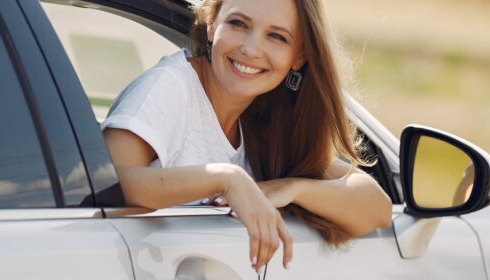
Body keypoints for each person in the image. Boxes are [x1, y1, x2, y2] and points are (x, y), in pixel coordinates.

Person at [101, 0, 391, 272]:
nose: (251, 49)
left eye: (277, 37)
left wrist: (293, 188)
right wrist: (227, 179)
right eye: (239, 24)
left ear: (299, 56)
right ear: (213, 23)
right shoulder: (170, 87)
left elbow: (376, 208)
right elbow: (103, 183)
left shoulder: (267, 120)